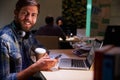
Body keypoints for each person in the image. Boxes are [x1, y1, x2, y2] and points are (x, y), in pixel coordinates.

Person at [0, 0, 57, 80]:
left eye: (33, 15)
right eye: (24, 13)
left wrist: (45, 57)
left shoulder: (27, 34)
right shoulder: (3, 39)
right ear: (16, 13)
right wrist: (35, 67)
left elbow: (43, 49)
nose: (28, 18)